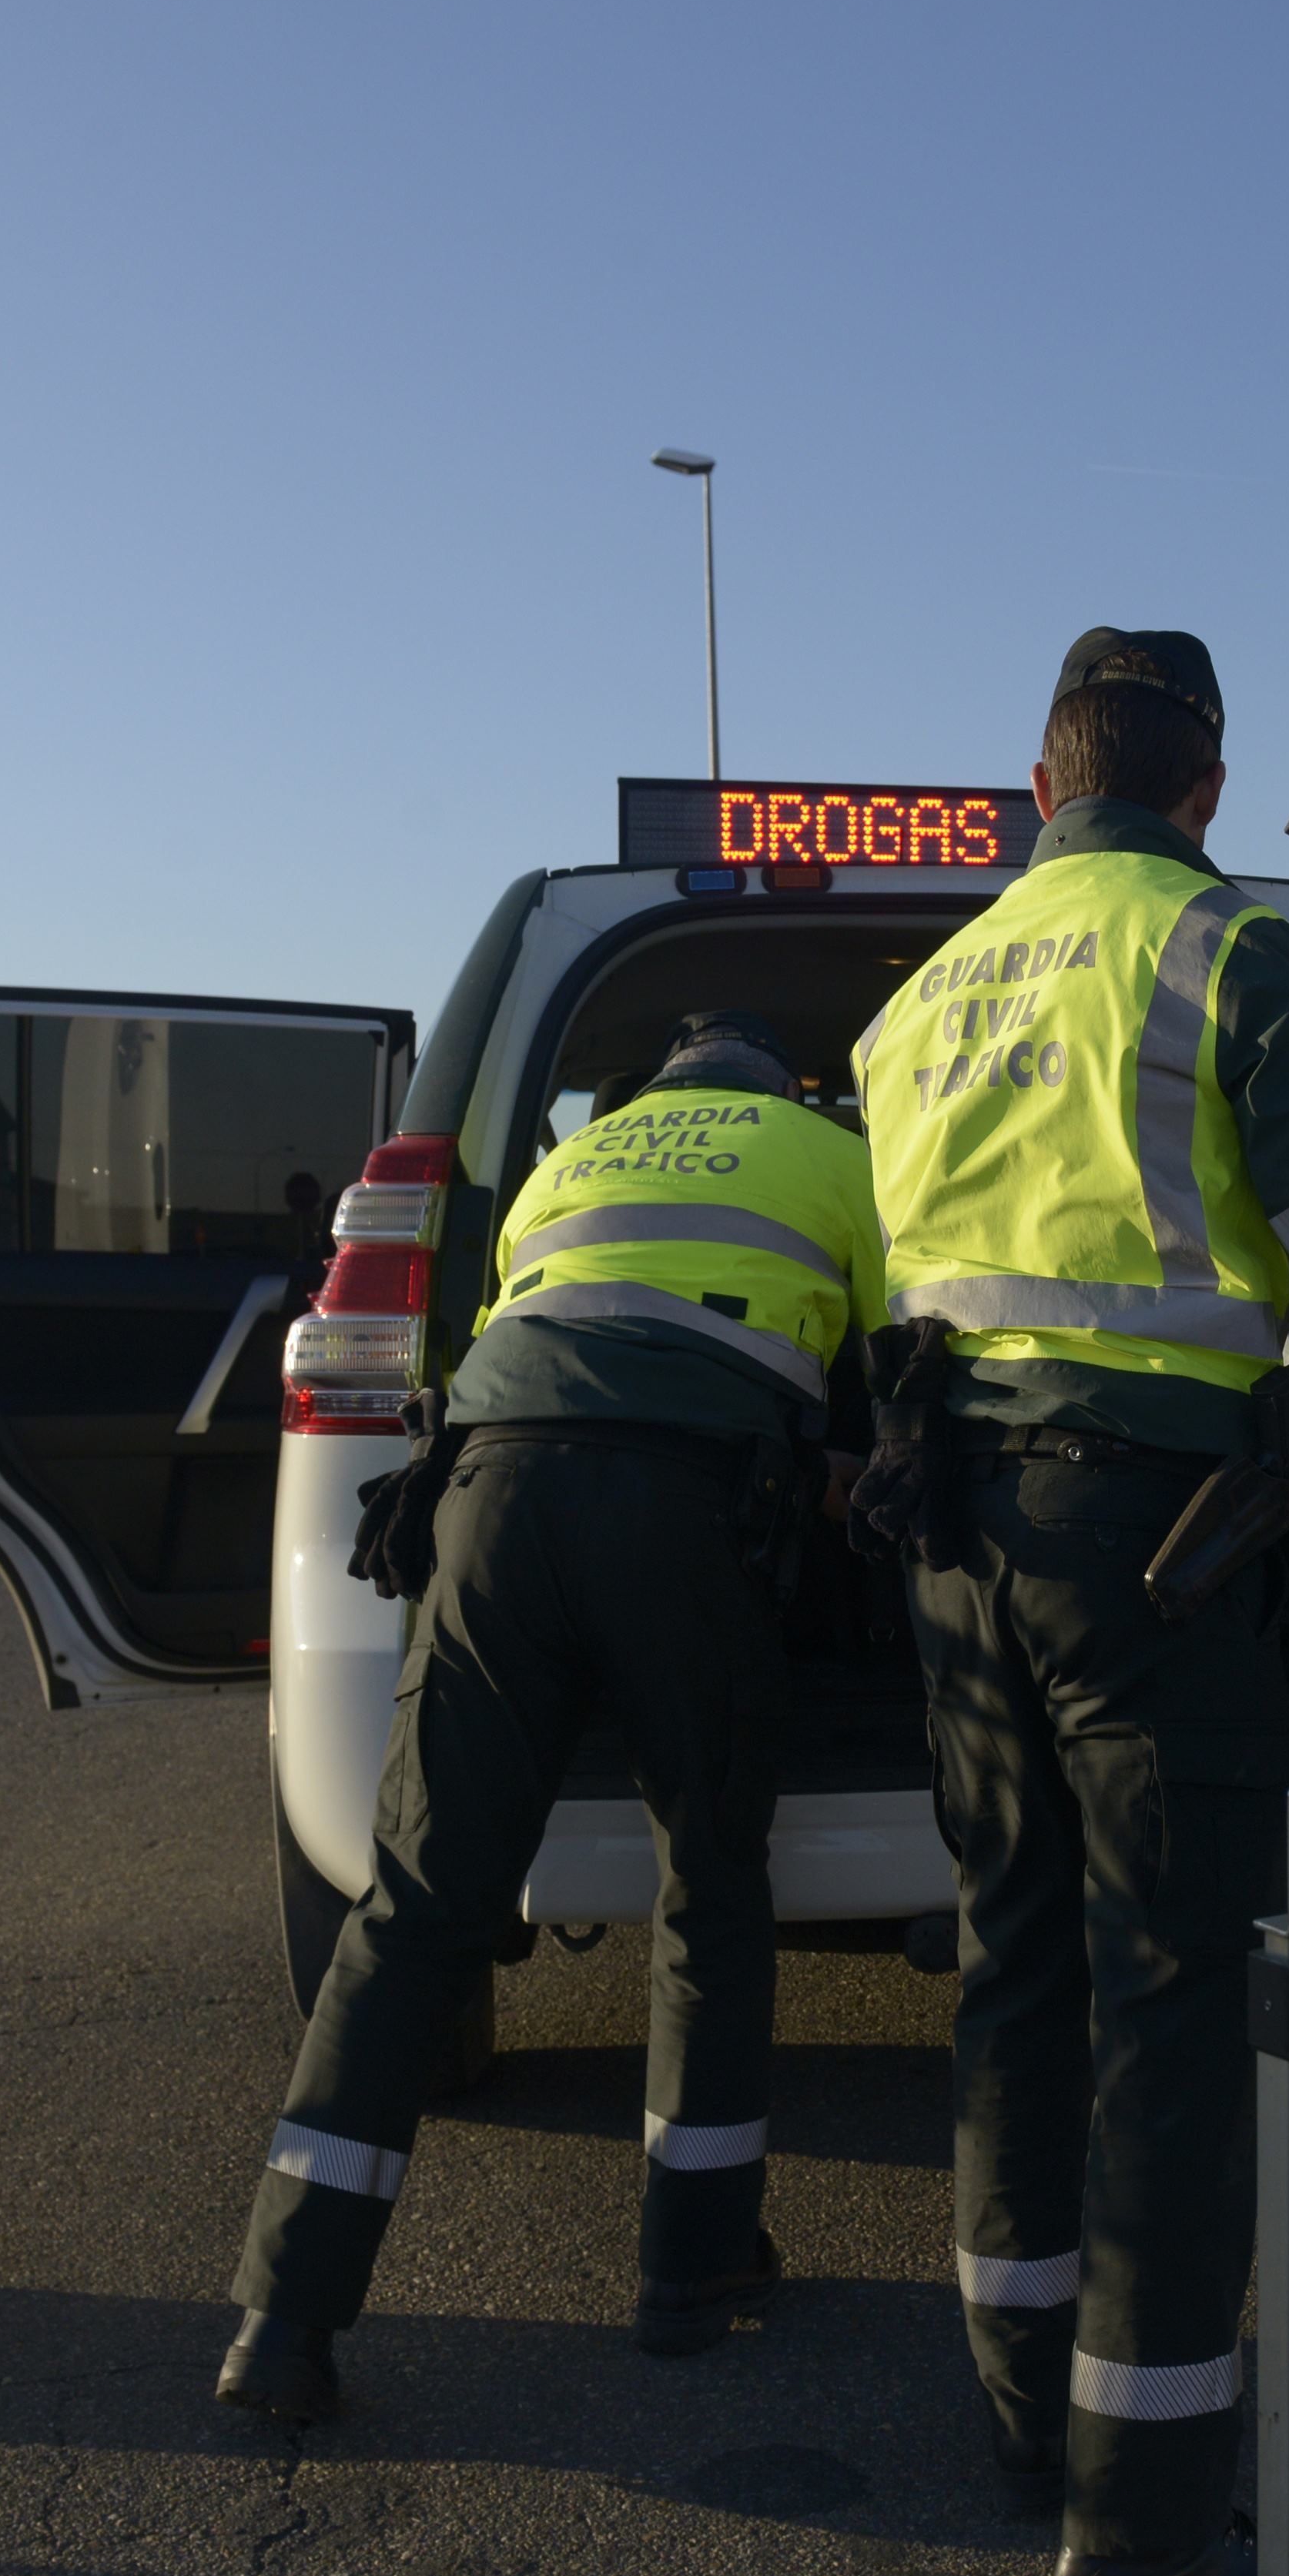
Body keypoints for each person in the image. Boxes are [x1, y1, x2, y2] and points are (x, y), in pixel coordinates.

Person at [852, 629, 1289, 2576]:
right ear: (1203, 790)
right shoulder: (1229, 953)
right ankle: (1143, 2536)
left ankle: (1031, 2412)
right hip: (1158, 1553)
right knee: (1183, 2012)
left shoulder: (923, 997)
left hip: (955, 1542)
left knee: (1016, 1964)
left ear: (1043, 785)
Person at [216, 1011, 879, 2414]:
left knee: (416, 1908)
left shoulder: (568, 1165)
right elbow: (894, 1366)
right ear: (782, 1087)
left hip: (493, 1502)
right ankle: (693, 2269)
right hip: (684, 1513)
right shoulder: (832, 1156)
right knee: (710, 1884)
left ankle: (283, 2319)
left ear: (657, 1089)